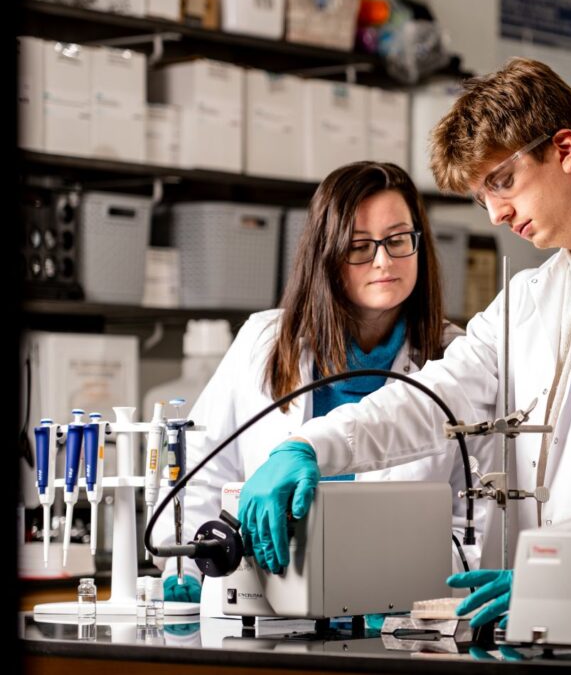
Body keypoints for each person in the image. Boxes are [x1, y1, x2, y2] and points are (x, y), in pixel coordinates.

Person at [239, 58, 571, 629]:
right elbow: (431, 397)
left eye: (502, 181)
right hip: (538, 621)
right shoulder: (527, 299)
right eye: (481, 196)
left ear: (565, 149)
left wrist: (561, 569)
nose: (495, 212)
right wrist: (311, 447)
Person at [152, 162, 496, 609]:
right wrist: (193, 565)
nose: (383, 261)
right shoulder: (267, 340)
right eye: (359, 246)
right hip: (266, 604)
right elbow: (198, 473)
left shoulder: (455, 359)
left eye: (397, 240)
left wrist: (411, 592)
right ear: (327, 253)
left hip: (402, 617)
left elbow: (475, 514)